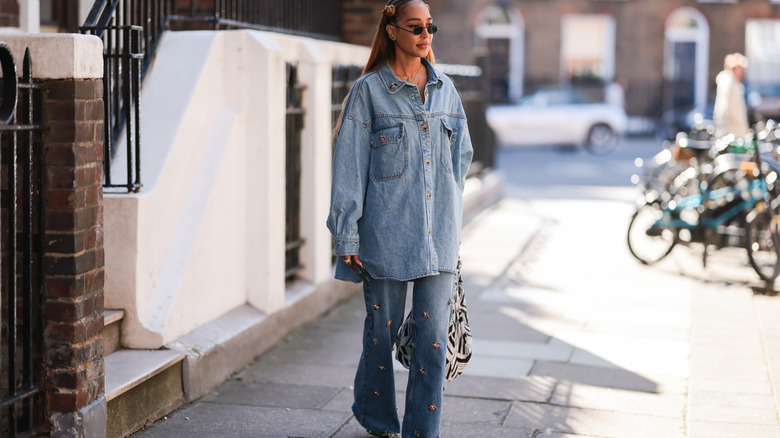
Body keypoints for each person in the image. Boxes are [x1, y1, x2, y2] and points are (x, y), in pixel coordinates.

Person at [326, 0, 473, 436]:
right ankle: (375, 416)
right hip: (384, 234)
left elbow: (461, 159)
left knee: (431, 341)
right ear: (391, 30)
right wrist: (347, 235)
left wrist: (447, 214)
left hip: (438, 236)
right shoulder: (368, 92)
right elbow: (349, 168)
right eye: (415, 27)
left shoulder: (447, 89)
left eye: (430, 26)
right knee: (381, 335)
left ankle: (421, 431)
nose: (425, 34)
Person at [713, 53, 750, 139]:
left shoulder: (731, 83)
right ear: (735, 68)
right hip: (732, 134)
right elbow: (731, 110)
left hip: (730, 132)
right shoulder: (730, 84)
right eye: (741, 69)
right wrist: (743, 130)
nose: (743, 72)